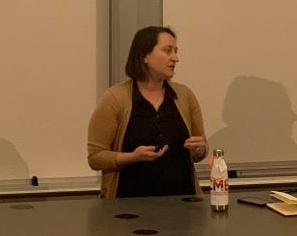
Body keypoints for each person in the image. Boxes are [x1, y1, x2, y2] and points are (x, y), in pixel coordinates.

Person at [87, 25, 207, 198]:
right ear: (145, 56)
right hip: (128, 209)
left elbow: (200, 149)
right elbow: (95, 157)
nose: (176, 58)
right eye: (167, 51)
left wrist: (199, 149)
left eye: (175, 51)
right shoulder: (115, 98)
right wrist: (131, 157)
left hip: (183, 207)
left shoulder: (185, 95)